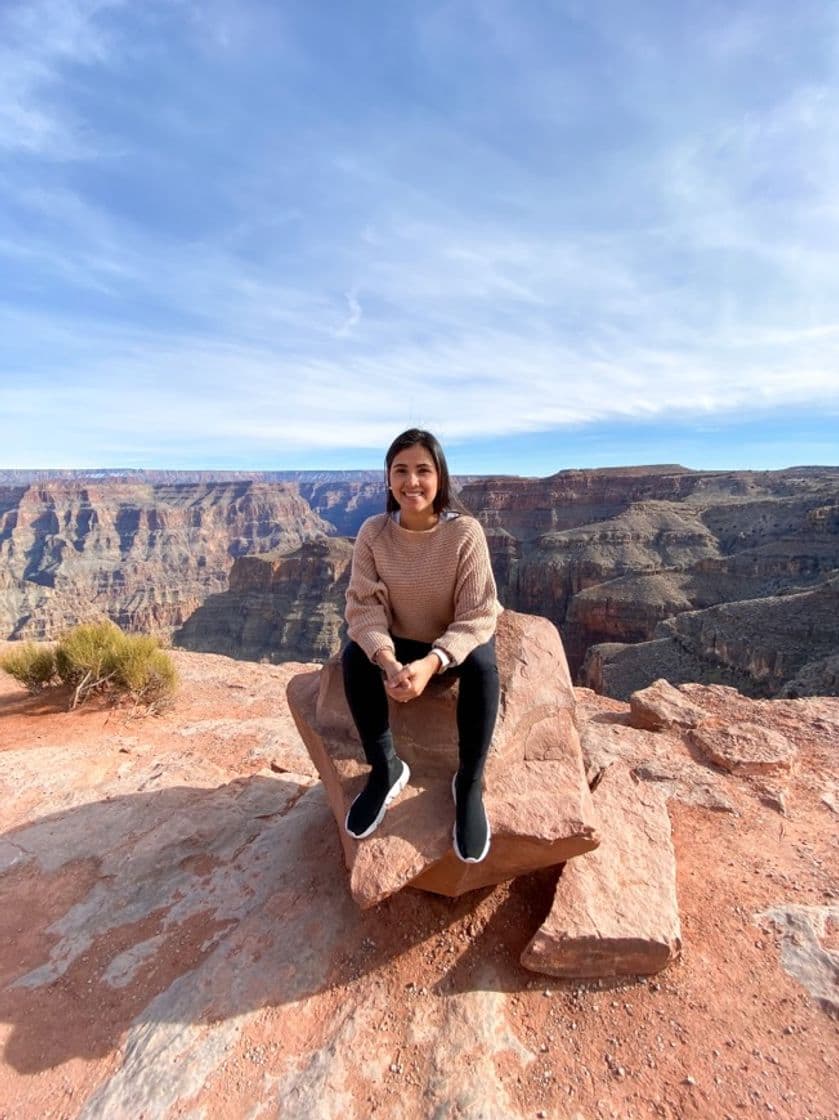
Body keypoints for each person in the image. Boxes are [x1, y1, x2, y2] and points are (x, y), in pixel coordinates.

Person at [341, 428, 502, 863]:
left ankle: (468, 782)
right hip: (397, 641)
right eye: (401, 471)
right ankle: (386, 766)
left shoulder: (465, 533)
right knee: (354, 656)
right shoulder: (374, 533)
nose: (412, 482)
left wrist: (433, 663)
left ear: (440, 477)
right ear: (389, 479)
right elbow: (363, 610)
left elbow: (477, 615)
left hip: (447, 644)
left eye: (423, 471)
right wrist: (388, 660)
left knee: (485, 667)